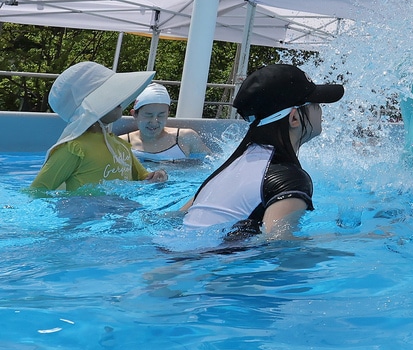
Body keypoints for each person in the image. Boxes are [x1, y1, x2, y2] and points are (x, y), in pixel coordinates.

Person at [183, 64, 344, 239]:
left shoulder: (225, 170)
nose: (321, 109)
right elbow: (277, 244)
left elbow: (183, 219)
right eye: (315, 103)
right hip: (215, 256)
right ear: (294, 118)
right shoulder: (289, 179)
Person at [31, 62, 169, 191]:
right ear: (92, 106)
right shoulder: (74, 149)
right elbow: (36, 191)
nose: (120, 98)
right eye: (111, 95)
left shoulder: (120, 145)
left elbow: (144, 179)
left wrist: (158, 175)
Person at [120, 83, 211, 163]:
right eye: (148, 115)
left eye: (161, 115)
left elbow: (211, 165)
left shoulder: (186, 138)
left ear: (168, 114)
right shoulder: (121, 143)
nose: (154, 121)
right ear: (134, 114)